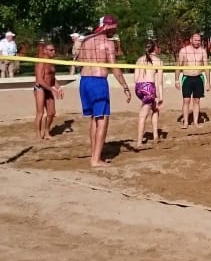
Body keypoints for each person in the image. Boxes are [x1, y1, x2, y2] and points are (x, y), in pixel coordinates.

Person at [77, 16, 131, 167]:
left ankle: (94, 155)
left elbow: (79, 60)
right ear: (109, 27)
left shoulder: (86, 40)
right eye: (115, 27)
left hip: (84, 81)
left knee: (94, 119)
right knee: (102, 120)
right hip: (98, 82)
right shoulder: (108, 43)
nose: (115, 30)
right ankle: (95, 160)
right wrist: (125, 86)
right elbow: (114, 67)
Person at [176, 32, 210, 128]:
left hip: (198, 78)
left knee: (197, 100)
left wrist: (208, 82)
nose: (197, 42)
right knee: (186, 100)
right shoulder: (184, 51)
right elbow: (178, 66)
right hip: (187, 78)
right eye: (195, 40)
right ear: (191, 40)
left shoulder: (203, 51)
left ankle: (195, 122)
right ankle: (186, 122)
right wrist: (176, 80)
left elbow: (206, 67)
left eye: (199, 40)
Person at [134, 41, 164, 145]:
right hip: (148, 88)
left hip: (138, 88)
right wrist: (161, 97)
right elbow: (160, 82)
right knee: (143, 115)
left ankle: (155, 136)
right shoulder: (158, 61)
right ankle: (139, 142)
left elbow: (135, 79)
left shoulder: (139, 59)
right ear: (155, 48)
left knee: (155, 108)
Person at [33, 43, 64, 140]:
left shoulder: (51, 62)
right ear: (45, 51)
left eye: (54, 50)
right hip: (40, 88)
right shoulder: (41, 62)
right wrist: (52, 89)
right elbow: (40, 80)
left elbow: (53, 78)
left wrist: (59, 88)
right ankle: (38, 134)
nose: (53, 52)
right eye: (51, 50)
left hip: (49, 88)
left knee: (51, 113)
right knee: (40, 113)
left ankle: (46, 132)